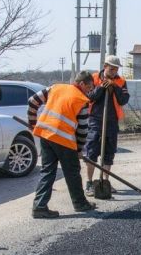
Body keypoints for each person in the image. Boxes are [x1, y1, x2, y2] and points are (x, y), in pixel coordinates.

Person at [28, 70, 96, 218]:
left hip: (46, 135)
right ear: (81, 84)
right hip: (63, 140)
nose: (90, 91)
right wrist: (79, 149)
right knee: (72, 172)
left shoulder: (55, 87)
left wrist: (33, 125)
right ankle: (80, 203)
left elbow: (32, 101)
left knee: (47, 171)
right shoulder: (81, 100)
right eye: (89, 87)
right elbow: (83, 130)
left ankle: (39, 207)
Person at [83, 55, 129, 196]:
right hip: (95, 120)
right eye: (111, 69)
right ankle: (90, 183)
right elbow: (89, 97)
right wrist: (101, 88)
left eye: (116, 69)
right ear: (105, 66)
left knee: (109, 153)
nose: (114, 72)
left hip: (111, 121)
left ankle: (105, 181)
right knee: (92, 152)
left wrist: (115, 87)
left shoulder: (121, 82)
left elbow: (123, 100)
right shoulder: (94, 78)